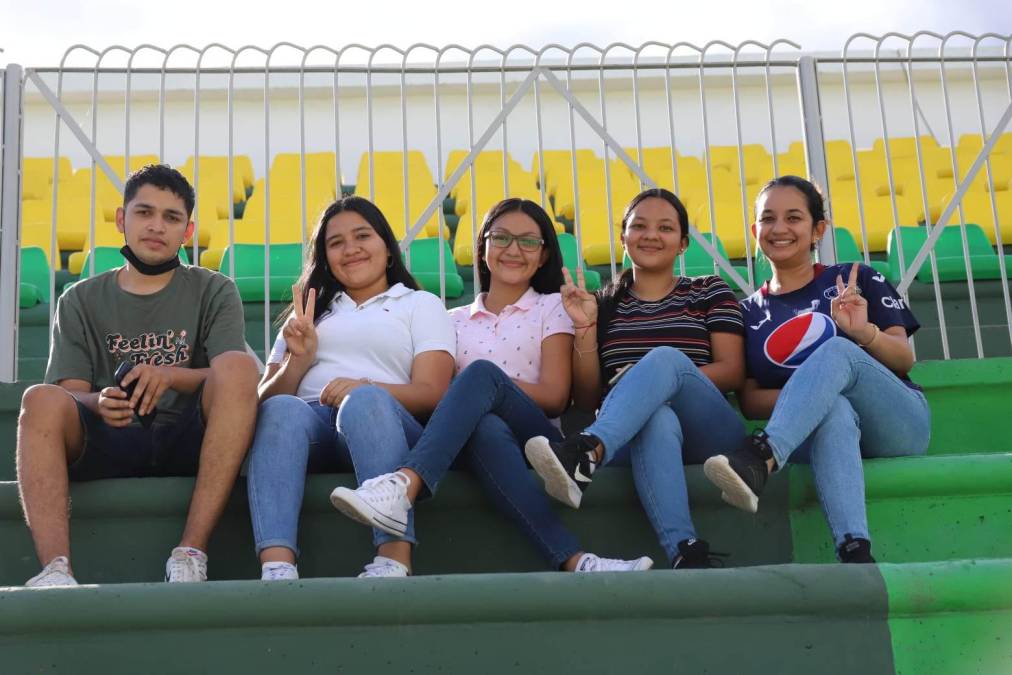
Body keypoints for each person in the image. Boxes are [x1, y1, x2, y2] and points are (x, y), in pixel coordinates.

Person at [330, 198, 653, 574]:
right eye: (500, 238)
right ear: (482, 248)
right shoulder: (450, 320)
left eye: (528, 242)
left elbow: (553, 397)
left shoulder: (553, 307)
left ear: (544, 254)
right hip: (473, 445)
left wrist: (492, 388)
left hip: (538, 441)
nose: (513, 250)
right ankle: (577, 560)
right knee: (485, 424)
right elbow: (439, 403)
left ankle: (405, 484)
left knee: (482, 376)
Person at [18, 164, 258, 587]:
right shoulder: (79, 299)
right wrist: (100, 401)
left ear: (188, 231)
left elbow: (229, 378)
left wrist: (169, 376)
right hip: (110, 436)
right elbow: (71, 393)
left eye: (171, 217)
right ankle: (56, 569)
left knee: (239, 365)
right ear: (120, 219)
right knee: (39, 399)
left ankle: (190, 554)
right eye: (144, 212)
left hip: (191, 435)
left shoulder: (214, 288)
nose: (156, 226)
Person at [703, 175, 930, 563]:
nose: (779, 229)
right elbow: (753, 401)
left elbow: (902, 359)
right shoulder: (745, 313)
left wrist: (863, 333)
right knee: (834, 410)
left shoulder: (856, 279)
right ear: (755, 230)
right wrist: (820, 394)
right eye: (768, 219)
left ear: (817, 229)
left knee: (838, 351)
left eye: (794, 218)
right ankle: (854, 549)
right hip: (816, 433)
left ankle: (763, 457)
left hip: (896, 422)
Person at [524, 188, 747, 569]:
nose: (651, 235)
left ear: (682, 244)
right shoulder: (605, 302)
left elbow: (731, 370)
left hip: (708, 429)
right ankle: (685, 549)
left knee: (664, 362)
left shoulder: (708, 289)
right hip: (630, 435)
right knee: (656, 417)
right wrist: (586, 328)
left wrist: (660, 377)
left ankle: (586, 452)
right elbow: (587, 396)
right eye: (639, 226)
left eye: (665, 228)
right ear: (623, 238)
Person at [246, 196, 455, 580]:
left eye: (363, 236)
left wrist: (363, 388)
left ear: (387, 250)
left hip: (385, 421)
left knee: (366, 401)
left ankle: (394, 558)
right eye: (336, 242)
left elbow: (434, 392)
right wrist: (299, 360)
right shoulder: (307, 314)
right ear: (325, 257)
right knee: (280, 411)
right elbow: (263, 403)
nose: (351, 249)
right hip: (312, 426)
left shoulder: (420, 304)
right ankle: (277, 566)